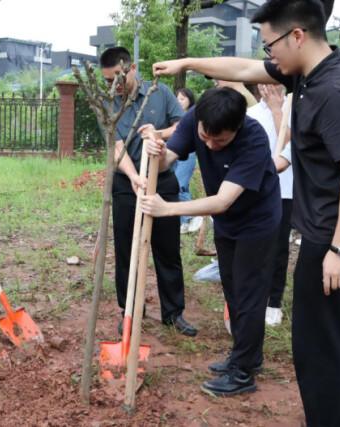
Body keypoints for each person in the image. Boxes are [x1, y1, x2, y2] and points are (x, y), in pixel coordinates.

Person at [152, 1, 340, 424]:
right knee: (313, 346)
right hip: (317, 232)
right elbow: (241, 69)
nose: (268, 56)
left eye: (270, 44)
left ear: (297, 35)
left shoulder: (334, 89)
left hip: (330, 239)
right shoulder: (306, 74)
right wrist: (187, 61)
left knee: (325, 349)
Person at [140, 87, 281, 397]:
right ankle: (248, 355)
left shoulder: (254, 140)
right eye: (205, 137)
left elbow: (222, 201)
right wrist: (158, 150)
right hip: (228, 223)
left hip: (257, 221)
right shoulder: (196, 119)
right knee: (232, 287)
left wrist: (168, 209)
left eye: (221, 141)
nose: (210, 145)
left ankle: (243, 372)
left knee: (249, 293)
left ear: (238, 128)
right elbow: (167, 162)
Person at [99, 47, 197, 337]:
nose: (113, 86)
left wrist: (158, 134)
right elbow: (116, 146)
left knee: (167, 247)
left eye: (116, 78)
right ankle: (129, 310)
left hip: (162, 179)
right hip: (126, 184)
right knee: (126, 249)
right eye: (107, 81)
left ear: (131, 68)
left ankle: (174, 312)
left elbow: (182, 126)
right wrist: (132, 176)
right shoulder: (108, 103)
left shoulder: (160, 93)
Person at [246, 84, 292, 327]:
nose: (269, 87)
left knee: (278, 249)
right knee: (256, 247)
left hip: (284, 190)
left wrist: (278, 109)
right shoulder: (251, 114)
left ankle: (274, 301)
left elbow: (287, 145)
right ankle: (255, 297)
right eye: (264, 82)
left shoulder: (293, 108)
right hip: (255, 189)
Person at [173, 88, 203, 234]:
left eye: (183, 99)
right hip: (174, 154)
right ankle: (185, 220)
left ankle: (189, 218)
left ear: (190, 100)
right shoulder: (175, 116)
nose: (179, 102)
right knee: (181, 186)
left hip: (189, 154)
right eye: (177, 99)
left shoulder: (193, 116)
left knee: (180, 185)